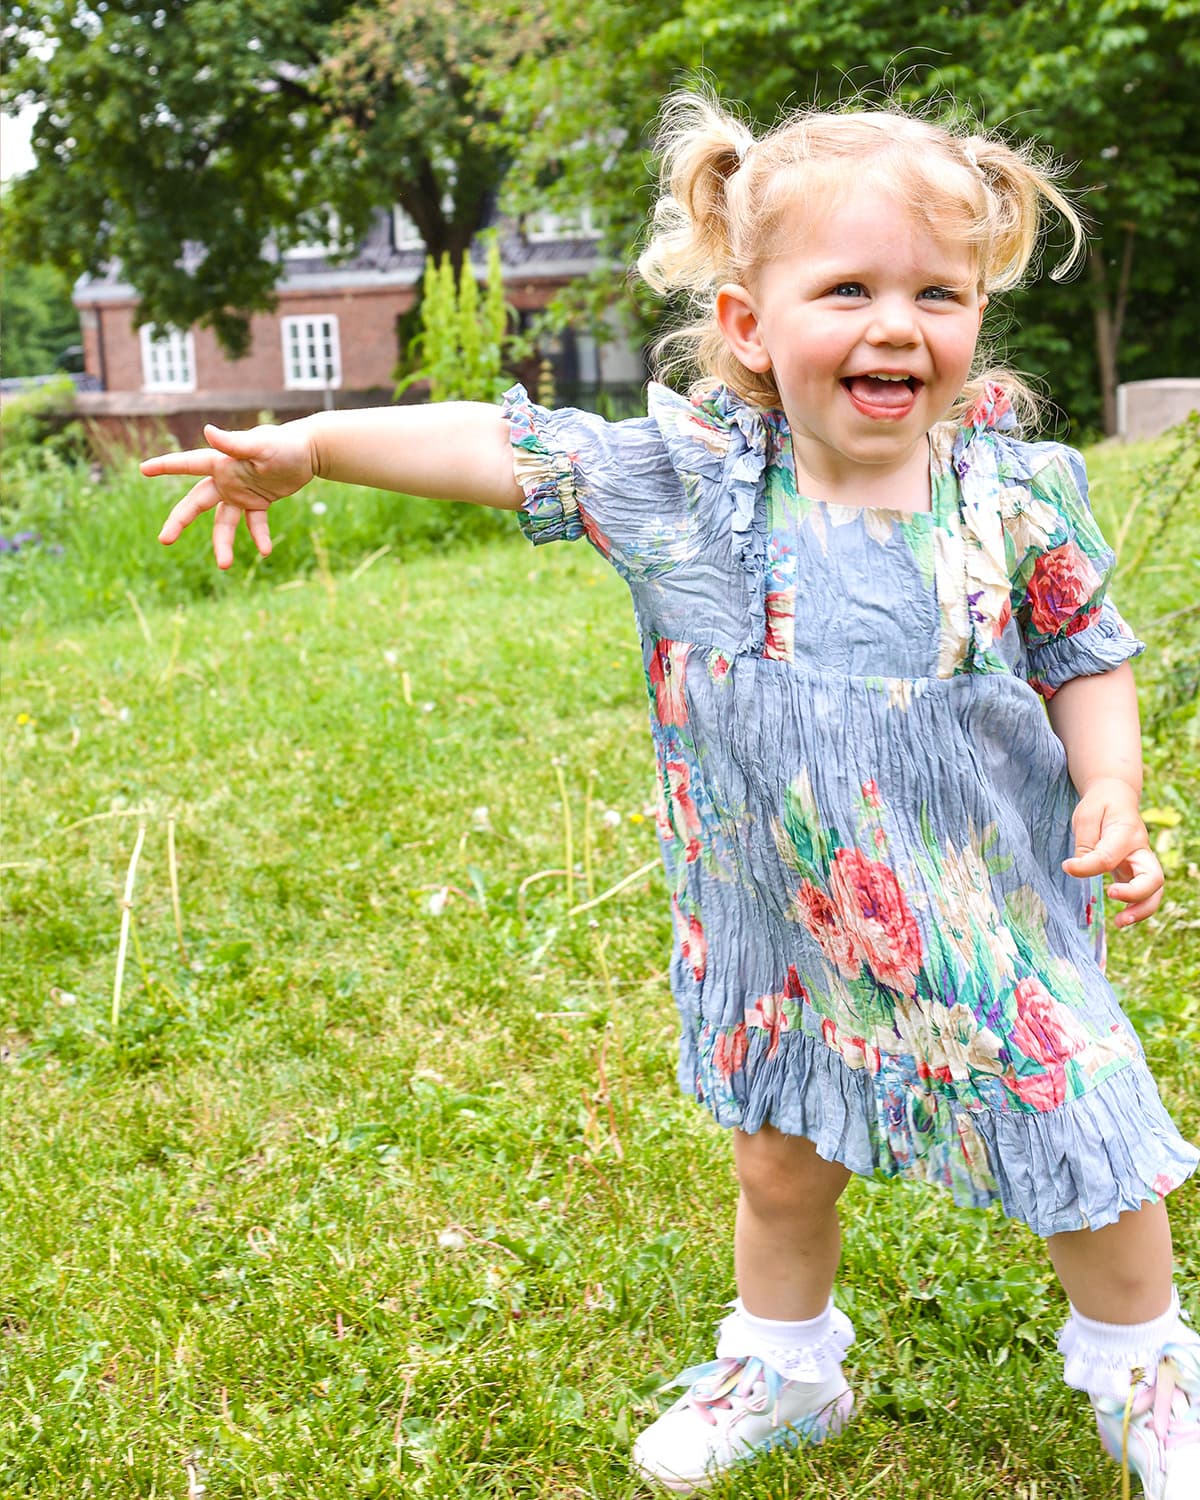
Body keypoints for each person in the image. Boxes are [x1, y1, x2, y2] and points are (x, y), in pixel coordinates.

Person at [142, 88, 1199, 1497]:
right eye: (849, 289)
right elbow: (502, 446)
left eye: (938, 292)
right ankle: (787, 1361)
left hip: (987, 902)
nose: (899, 324)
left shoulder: (1018, 493)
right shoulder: (690, 489)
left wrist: (1111, 787)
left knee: (1089, 1133)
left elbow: (1085, 654)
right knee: (778, 1156)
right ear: (752, 325)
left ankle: (1143, 1370)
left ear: (975, 318)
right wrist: (317, 444)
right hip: (780, 917)